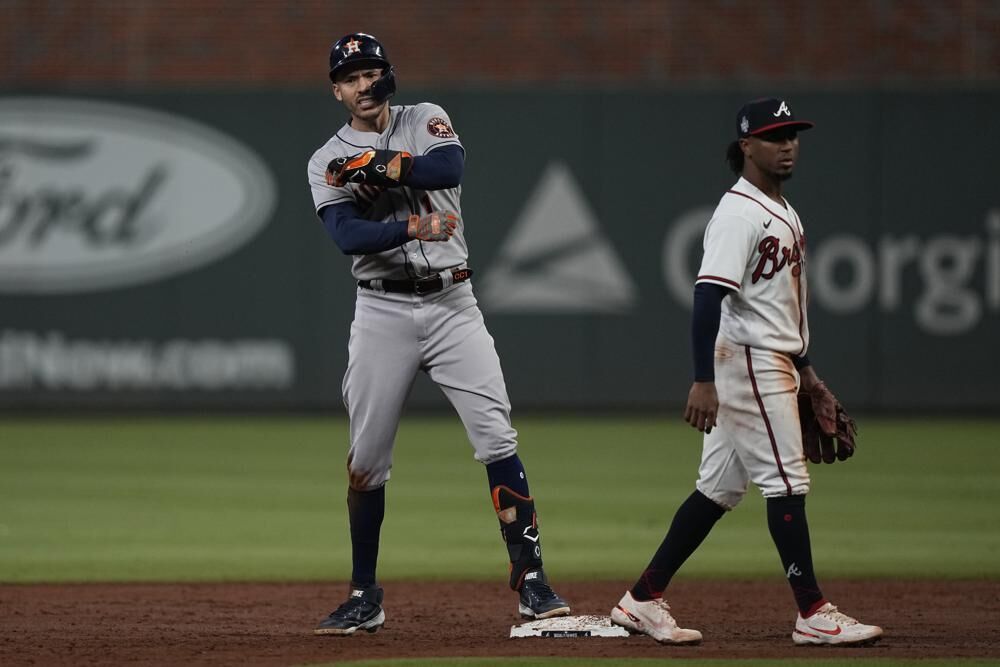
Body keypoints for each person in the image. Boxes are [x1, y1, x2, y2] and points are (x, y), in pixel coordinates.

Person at [306, 32, 571, 636]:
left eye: (372, 72)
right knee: (366, 461)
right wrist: (412, 224)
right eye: (351, 78)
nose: (363, 85)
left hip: (453, 302)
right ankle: (362, 594)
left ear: (387, 76)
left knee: (497, 436)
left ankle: (532, 581)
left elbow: (450, 165)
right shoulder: (326, 157)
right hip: (382, 313)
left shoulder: (425, 118)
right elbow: (347, 236)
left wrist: (380, 167)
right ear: (336, 91)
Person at [609, 97, 883, 647]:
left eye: (793, 135)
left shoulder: (781, 207)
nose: (787, 145)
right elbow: (708, 297)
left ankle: (641, 599)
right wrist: (702, 380)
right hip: (751, 361)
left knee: (716, 490)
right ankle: (812, 611)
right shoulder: (739, 211)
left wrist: (808, 372)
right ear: (745, 147)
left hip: (773, 358)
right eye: (773, 136)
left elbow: (779, 303)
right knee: (786, 482)